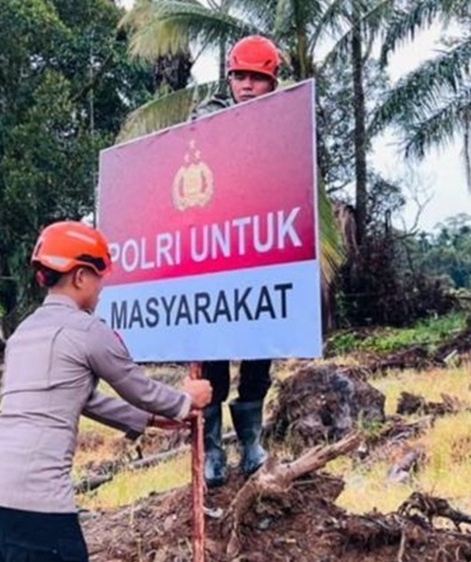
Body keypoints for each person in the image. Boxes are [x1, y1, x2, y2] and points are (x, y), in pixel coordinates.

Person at [0, 220, 213, 562]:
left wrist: (151, 419)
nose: (101, 288)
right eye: (99, 277)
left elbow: (81, 398)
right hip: (35, 497)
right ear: (80, 276)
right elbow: (136, 385)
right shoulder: (86, 329)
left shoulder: (24, 332)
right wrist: (187, 400)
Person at [190, 34, 282, 489]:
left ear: (272, 81)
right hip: (215, 253)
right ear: (229, 78)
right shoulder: (208, 113)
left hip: (263, 253)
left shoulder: (288, 121)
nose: (247, 86)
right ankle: (210, 449)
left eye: (257, 79)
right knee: (211, 355)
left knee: (260, 351)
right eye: (240, 76)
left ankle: (250, 443)